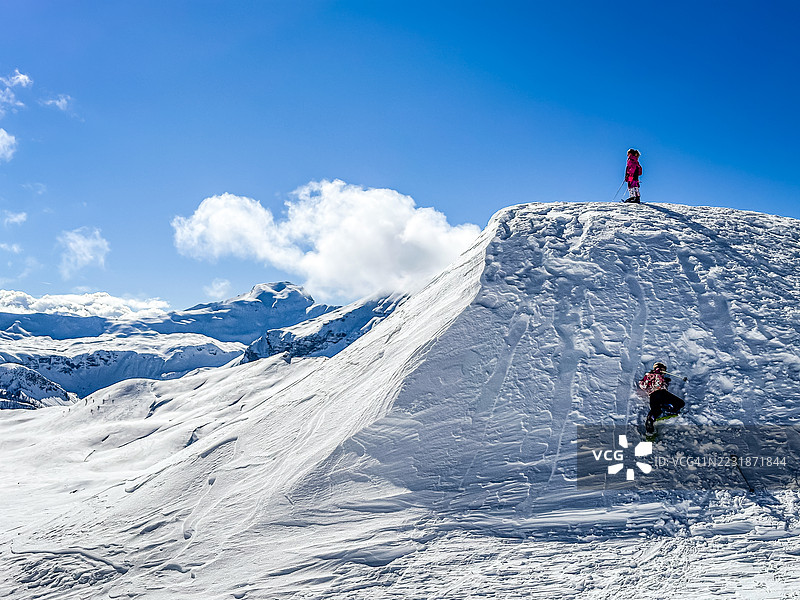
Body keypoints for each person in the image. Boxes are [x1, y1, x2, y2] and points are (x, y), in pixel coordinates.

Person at [640, 362, 684, 434]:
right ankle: (650, 422)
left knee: (680, 403)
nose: (664, 372)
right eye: (662, 369)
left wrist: (665, 380)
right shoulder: (651, 375)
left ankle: (666, 412)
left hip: (662, 394)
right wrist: (656, 374)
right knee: (656, 408)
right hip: (656, 393)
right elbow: (644, 386)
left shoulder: (663, 378)